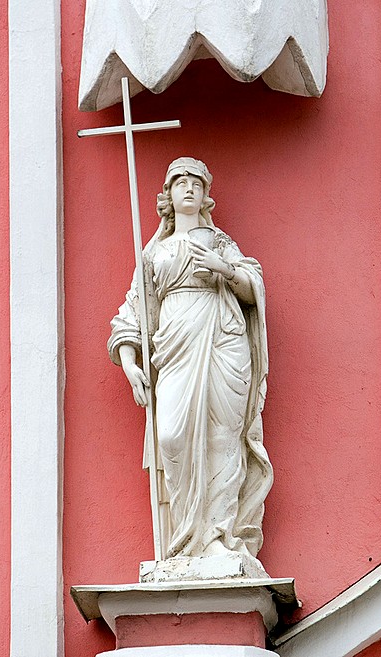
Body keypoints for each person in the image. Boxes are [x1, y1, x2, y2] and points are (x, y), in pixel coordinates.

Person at [108, 157, 273, 561]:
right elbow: (135, 311)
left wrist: (226, 271)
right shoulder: (153, 253)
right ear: (167, 194)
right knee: (172, 437)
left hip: (221, 340)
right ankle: (185, 538)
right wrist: (130, 363)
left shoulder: (221, 244)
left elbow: (253, 288)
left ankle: (216, 537)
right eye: (180, 182)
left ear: (205, 196)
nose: (188, 188)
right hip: (176, 347)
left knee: (221, 436)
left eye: (196, 184)